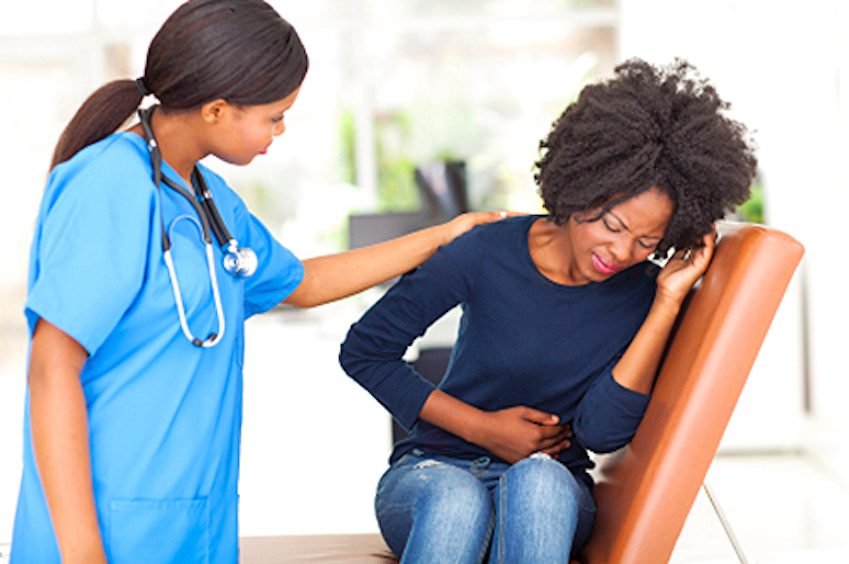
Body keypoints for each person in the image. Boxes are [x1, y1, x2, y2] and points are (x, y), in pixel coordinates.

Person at [10, 1, 510, 563]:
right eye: (274, 116)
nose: (281, 130)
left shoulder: (210, 199)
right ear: (218, 109)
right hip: (100, 531)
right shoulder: (108, 185)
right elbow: (52, 368)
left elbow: (304, 282)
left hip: (191, 526)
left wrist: (442, 237)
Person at [339, 58, 758, 564]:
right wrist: (482, 428)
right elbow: (366, 352)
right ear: (580, 187)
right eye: (612, 224)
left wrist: (666, 301)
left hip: (551, 488)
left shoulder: (645, 294)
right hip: (434, 469)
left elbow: (601, 434)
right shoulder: (484, 251)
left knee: (538, 479)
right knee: (456, 502)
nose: (621, 252)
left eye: (647, 241)